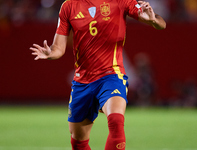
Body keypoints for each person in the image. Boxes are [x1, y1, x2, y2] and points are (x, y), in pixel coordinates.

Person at [30, 0, 166, 149]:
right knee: (78, 141)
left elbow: (161, 24)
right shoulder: (69, 6)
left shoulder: (120, 1)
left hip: (112, 75)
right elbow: (58, 48)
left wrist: (153, 20)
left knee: (116, 120)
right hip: (83, 81)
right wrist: (51, 53)